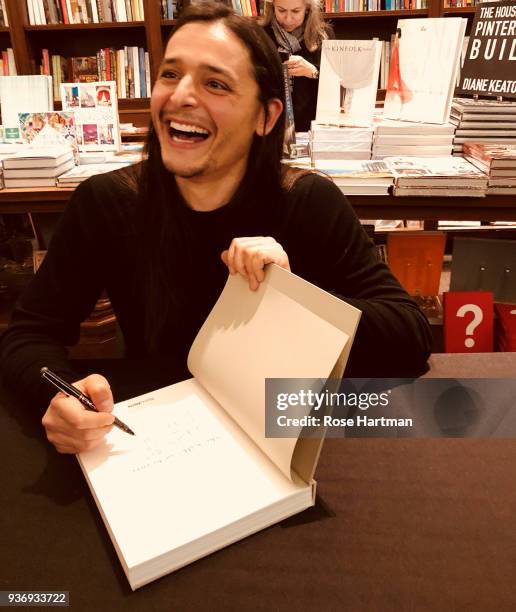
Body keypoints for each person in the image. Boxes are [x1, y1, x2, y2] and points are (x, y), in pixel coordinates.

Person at [0, 2, 431, 455]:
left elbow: (409, 335)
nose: (181, 95)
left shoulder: (307, 201)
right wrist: (55, 395)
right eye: (170, 74)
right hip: (159, 445)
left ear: (266, 117)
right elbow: (29, 336)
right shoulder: (109, 203)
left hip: (284, 434)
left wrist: (292, 297)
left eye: (215, 84)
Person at [259, 0, 332, 131]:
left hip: (313, 126)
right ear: (272, 7)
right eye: (281, 10)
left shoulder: (323, 35)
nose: (288, 19)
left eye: (296, 11)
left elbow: (336, 86)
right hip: (271, 125)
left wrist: (313, 72)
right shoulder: (260, 36)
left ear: (308, 9)